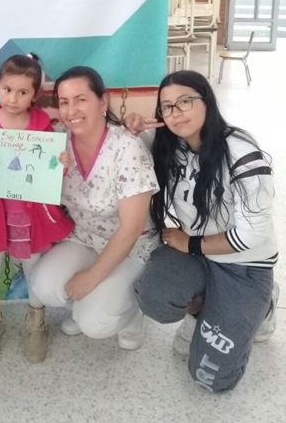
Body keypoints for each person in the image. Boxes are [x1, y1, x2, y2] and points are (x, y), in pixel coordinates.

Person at [131, 70, 277, 392]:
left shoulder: (240, 151)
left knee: (211, 378)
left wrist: (192, 244)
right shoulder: (169, 144)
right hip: (195, 255)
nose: (175, 113)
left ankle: (262, 305)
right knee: (154, 296)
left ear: (207, 101)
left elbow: (251, 235)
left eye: (185, 101)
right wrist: (133, 128)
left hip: (243, 265)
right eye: (167, 106)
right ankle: (201, 312)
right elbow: (128, 150)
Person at [30, 66, 159, 350]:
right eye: (64, 102)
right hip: (84, 237)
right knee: (43, 287)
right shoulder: (57, 145)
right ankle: (85, 305)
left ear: (103, 102)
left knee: (96, 324)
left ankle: (132, 315)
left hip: (132, 244)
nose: (71, 110)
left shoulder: (127, 147)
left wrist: (91, 277)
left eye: (80, 99)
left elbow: (132, 227)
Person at [0, 54, 73, 363]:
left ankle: (36, 324)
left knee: (33, 268)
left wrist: (60, 163)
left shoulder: (41, 125)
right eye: (8, 90)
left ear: (34, 94)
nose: (13, 98)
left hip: (28, 213)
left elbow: (50, 169)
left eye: (22, 92)